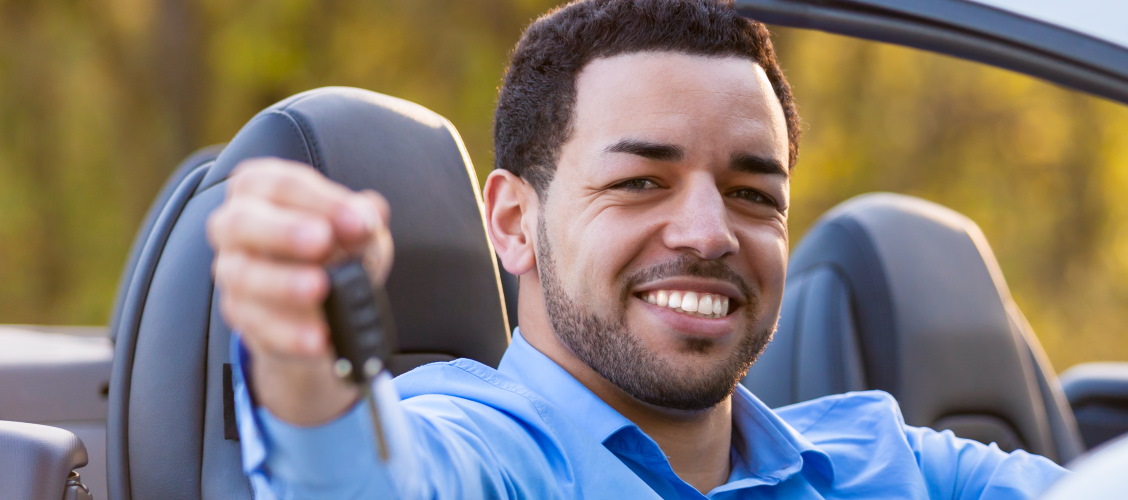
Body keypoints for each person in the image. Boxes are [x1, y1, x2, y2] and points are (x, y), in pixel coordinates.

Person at [208, 0, 1066, 497]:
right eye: (640, 183)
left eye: (752, 193)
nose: (708, 232)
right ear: (512, 223)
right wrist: (304, 362)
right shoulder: (489, 454)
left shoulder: (889, 465)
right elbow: (361, 481)